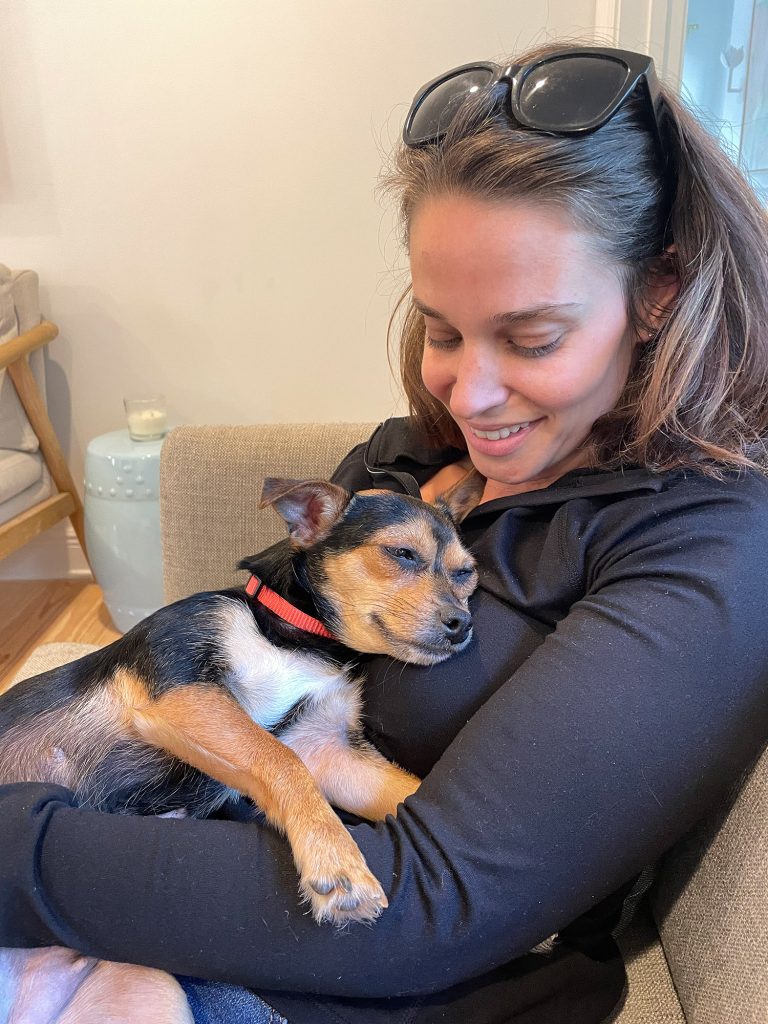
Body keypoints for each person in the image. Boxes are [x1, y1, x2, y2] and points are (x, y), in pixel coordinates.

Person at [2, 42, 768, 1024]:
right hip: (162, 845)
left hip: (322, 974)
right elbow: (250, 665)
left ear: (659, 293)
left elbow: (429, 905)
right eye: (444, 328)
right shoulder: (412, 460)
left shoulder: (708, 544)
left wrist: (22, 851)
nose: (469, 391)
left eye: (531, 338)